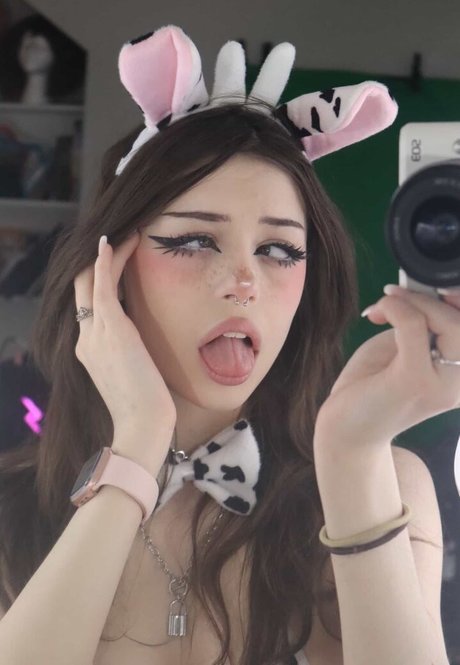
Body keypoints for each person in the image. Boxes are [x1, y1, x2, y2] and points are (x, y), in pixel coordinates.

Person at [0, 24, 456, 665]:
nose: (244, 282)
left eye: (278, 249)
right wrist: (135, 448)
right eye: (194, 241)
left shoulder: (384, 483)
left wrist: (352, 456)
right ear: (107, 273)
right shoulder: (10, 508)